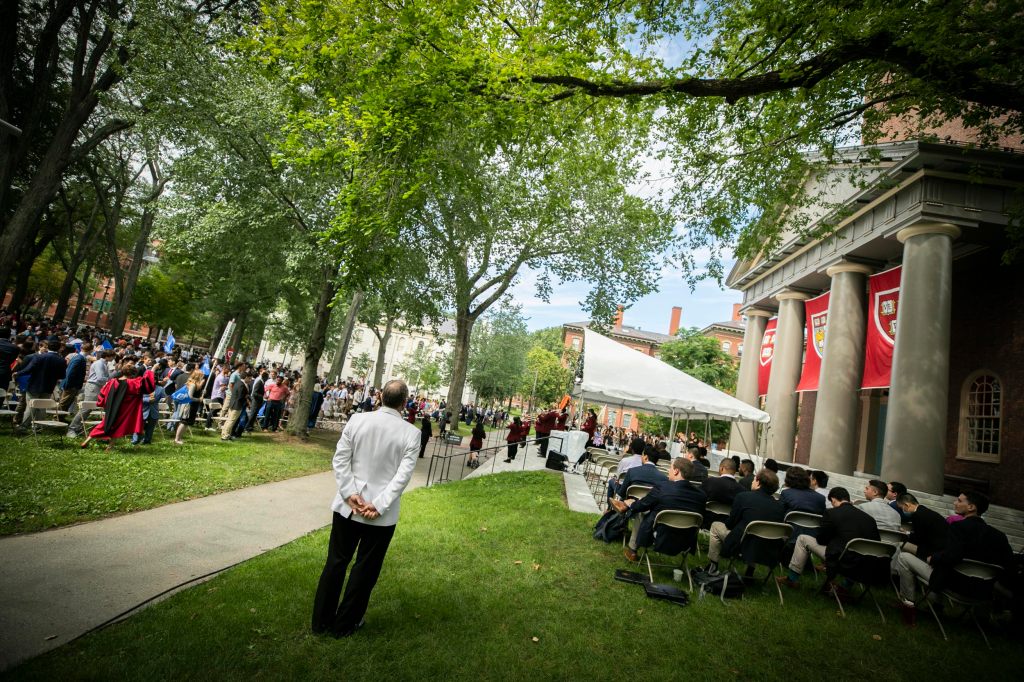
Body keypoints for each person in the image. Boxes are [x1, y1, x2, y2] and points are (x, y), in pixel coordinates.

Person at [311, 380, 420, 638]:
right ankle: (344, 624)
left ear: (381, 396)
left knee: (336, 562)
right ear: (405, 402)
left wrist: (351, 495)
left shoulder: (358, 420)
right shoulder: (410, 433)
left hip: (352, 506)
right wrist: (376, 503)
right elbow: (402, 477)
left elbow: (340, 460)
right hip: (375, 513)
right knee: (364, 569)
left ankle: (321, 622)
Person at [893, 491, 1013, 625]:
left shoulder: (958, 527)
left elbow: (951, 556)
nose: (955, 503)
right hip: (983, 591)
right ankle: (975, 618)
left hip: (954, 585)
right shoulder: (999, 536)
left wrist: (933, 559)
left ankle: (908, 606)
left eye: (960, 501)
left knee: (904, 557)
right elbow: (1008, 564)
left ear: (971, 507)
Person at [777, 486, 880, 590]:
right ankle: (845, 587)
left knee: (802, 539)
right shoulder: (869, 519)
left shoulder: (832, 513)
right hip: (867, 563)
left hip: (842, 560)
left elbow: (821, 540)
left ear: (834, 500)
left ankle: (791, 579)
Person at [610, 458, 707, 562]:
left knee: (641, 512)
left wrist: (631, 504)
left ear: (676, 471)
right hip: (686, 539)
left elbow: (644, 504)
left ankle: (632, 550)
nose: (669, 471)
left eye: (670, 468)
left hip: (660, 535)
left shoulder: (663, 487)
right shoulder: (701, 495)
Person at [705, 469, 784, 575]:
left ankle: (713, 565)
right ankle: (750, 571)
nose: (752, 481)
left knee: (715, 526)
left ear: (759, 483)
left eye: (754, 479)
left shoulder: (743, 497)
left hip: (743, 545)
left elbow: (730, 524)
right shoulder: (779, 506)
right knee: (756, 534)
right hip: (769, 549)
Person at [81, 361, 156, 448]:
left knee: (103, 425)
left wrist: (102, 403)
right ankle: (110, 447)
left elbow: (103, 393)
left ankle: (87, 441)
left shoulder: (112, 382)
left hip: (111, 409)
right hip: (124, 411)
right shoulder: (133, 383)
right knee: (117, 428)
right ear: (132, 374)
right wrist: (152, 370)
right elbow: (148, 385)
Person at [14, 340, 67, 433]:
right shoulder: (61, 360)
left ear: (48, 347)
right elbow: (62, 376)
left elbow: (28, 369)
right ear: (59, 348)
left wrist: (18, 373)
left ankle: (24, 426)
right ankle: (38, 426)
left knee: (31, 406)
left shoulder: (39, 357)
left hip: (34, 385)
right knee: (42, 406)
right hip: (48, 386)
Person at [174, 370, 206, 445]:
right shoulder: (193, 385)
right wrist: (198, 399)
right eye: (201, 376)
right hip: (189, 406)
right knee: (184, 422)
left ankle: (179, 438)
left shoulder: (195, 384)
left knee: (186, 422)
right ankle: (177, 439)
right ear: (198, 376)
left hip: (192, 406)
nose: (202, 377)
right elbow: (190, 396)